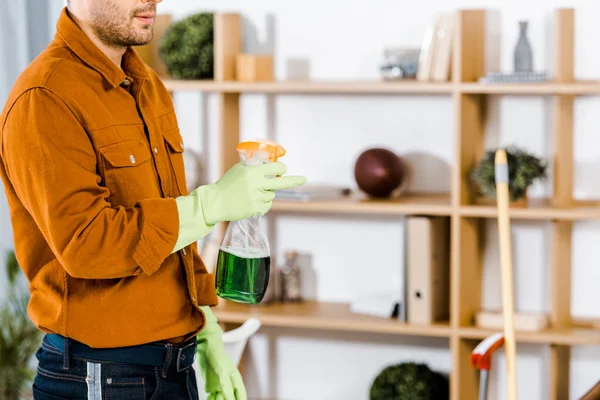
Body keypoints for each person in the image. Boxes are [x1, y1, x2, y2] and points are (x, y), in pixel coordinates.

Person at [0, 0, 306, 399]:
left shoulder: (146, 83)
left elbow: (169, 231)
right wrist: (210, 204)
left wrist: (205, 324)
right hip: (101, 377)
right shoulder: (45, 97)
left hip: (175, 366)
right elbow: (88, 245)